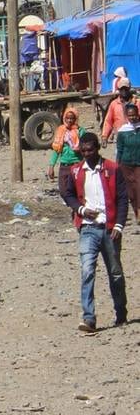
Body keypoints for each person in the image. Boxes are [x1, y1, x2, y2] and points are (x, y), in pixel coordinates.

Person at [60, 132, 129, 333]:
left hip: (110, 229)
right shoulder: (76, 171)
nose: (87, 154)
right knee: (87, 271)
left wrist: (119, 226)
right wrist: (80, 210)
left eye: (91, 150)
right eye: (84, 150)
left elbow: (123, 199)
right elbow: (68, 194)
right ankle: (89, 318)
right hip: (88, 228)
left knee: (115, 273)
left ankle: (121, 313)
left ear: (97, 148)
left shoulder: (113, 169)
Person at [48, 107, 88, 183]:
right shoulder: (61, 131)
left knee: (77, 189)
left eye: (72, 118)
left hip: (77, 163)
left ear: (75, 119)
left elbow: (86, 147)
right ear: (64, 118)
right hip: (64, 165)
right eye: (67, 118)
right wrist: (51, 166)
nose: (69, 120)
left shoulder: (80, 131)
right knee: (64, 190)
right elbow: (56, 150)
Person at [115, 104, 140, 221]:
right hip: (126, 164)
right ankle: (136, 212)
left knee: (139, 187)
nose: (133, 117)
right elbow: (119, 149)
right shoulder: (123, 131)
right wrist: (117, 165)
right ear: (126, 116)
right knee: (130, 191)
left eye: (134, 115)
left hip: (139, 164)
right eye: (130, 115)